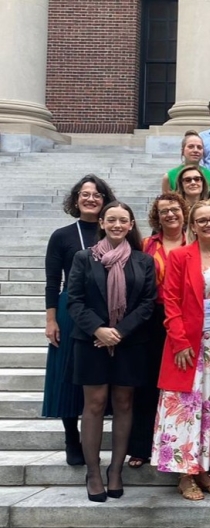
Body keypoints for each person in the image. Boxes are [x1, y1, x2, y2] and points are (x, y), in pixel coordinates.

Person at [67, 201, 157, 502]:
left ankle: (116, 470)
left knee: (124, 402)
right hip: (90, 341)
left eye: (124, 220)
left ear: (131, 225)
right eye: (112, 220)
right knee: (93, 404)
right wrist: (99, 330)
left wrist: (119, 332)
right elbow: (74, 300)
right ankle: (93, 471)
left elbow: (147, 303)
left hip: (129, 342)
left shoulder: (143, 261)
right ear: (102, 223)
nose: (118, 225)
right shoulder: (83, 258)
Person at [152, 201, 210, 500]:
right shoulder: (179, 256)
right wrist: (179, 341)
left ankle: (204, 469)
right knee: (187, 408)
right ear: (193, 225)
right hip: (189, 343)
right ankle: (184, 474)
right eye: (202, 220)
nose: (209, 224)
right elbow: (171, 300)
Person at [43, 176, 117, 467]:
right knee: (67, 375)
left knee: (101, 376)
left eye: (97, 194)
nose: (91, 199)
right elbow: (51, 282)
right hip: (70, 310)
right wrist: (51, 320)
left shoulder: (111, 230)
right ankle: (71, 438)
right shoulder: (62, 236)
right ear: (76, 200)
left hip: (106, 311)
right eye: (85, 194)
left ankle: (98, 436)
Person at [129, 193, 189, 471]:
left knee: (179, 386)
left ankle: (179, 443)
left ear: (183, 212)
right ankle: (141, 447)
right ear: (157, 216)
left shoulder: (196, 242)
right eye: (164, 211)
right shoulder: (145, 246)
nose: (170, 215)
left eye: (174, 209)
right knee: (146, 383)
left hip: (185, 319)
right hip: (151, 318)